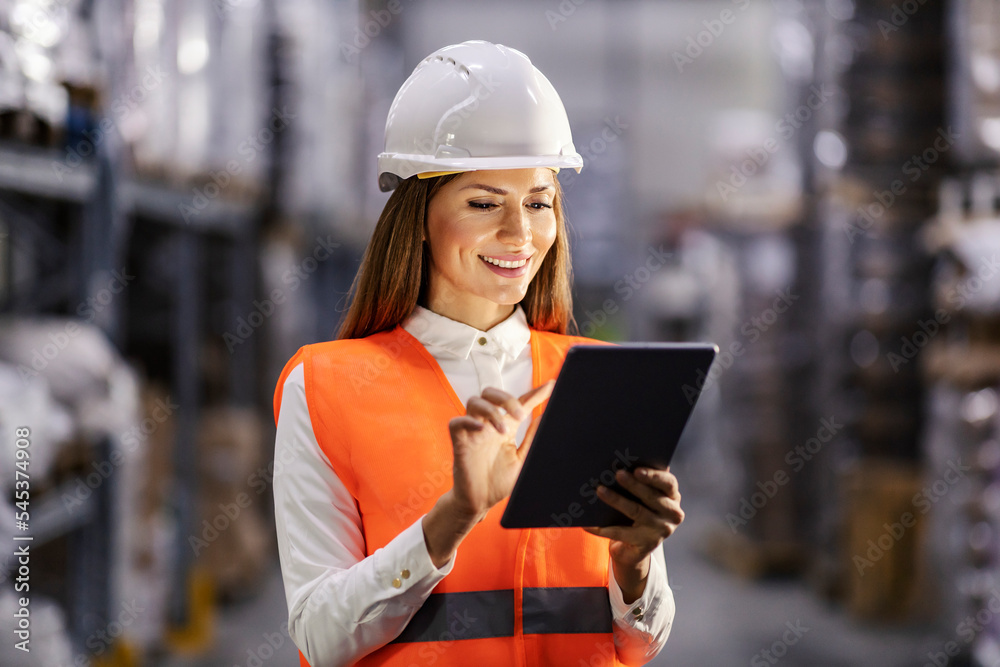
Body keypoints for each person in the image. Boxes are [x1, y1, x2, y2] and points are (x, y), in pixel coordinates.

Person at [272, 40, 685, 667]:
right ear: (417, 215)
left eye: (539, 202)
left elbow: (640, 642)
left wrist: (636, 564)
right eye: (484, 203)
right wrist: (451, 519)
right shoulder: (327, 386)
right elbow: (319, 635)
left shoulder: (597, 379)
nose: (520, 234)